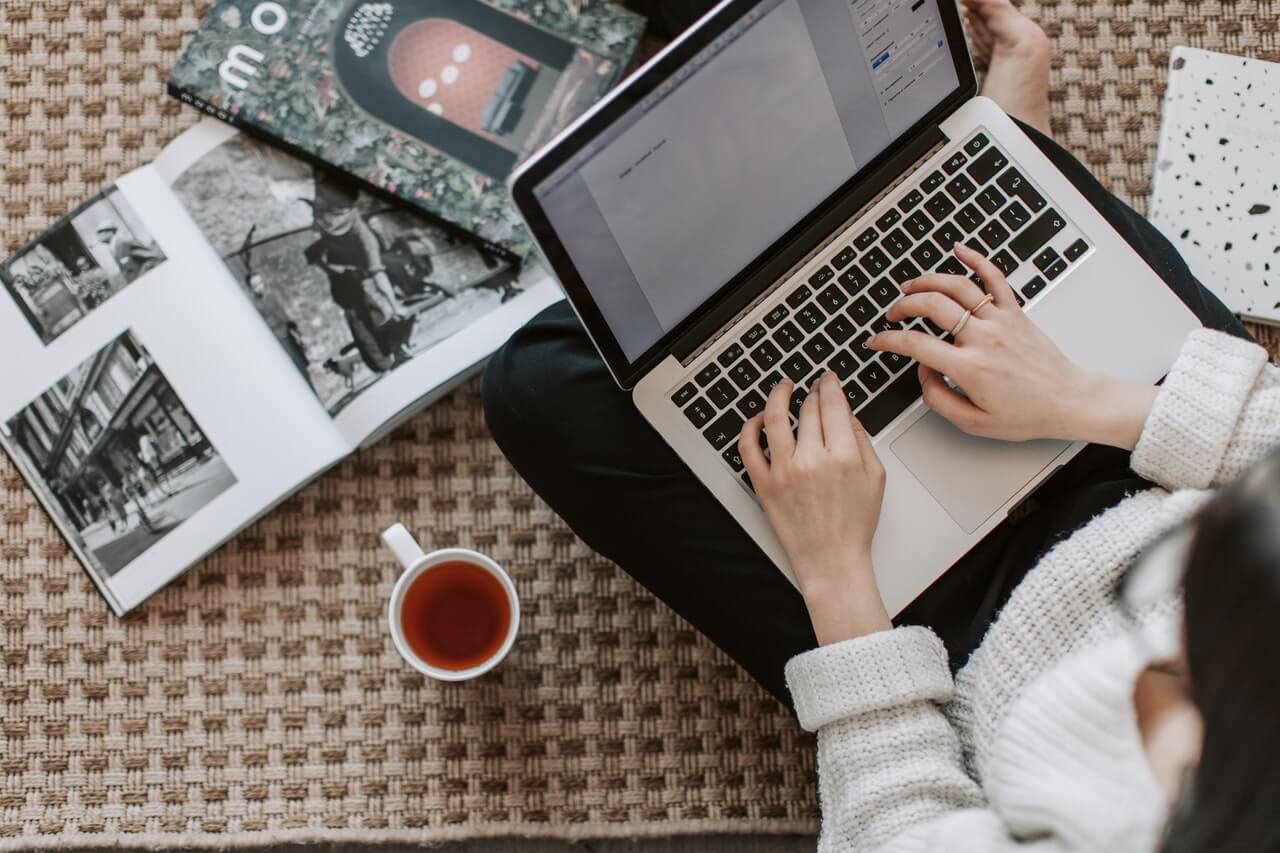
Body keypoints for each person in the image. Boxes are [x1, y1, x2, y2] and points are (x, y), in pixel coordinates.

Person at [481, 0, 1280, 848]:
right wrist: (1078, 394)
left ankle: (973, 157)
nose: (1146, 652)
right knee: (983, 165)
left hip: (941, 639)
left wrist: (835, 576)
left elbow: (897, 826)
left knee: (543, 386)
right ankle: (983, 157)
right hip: (1157, 451)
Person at [303, 176, 415, 373]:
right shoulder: (323, 205)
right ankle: (385, 358)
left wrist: (393, 305)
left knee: (371, 316)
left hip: (357, 274)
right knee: (360, 317)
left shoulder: (365, 237)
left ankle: (391, 353)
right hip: (344, 276)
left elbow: (378, 274)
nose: (332, 221)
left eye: (339, 214)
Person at [96, 221, 163, 280]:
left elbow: (151, 258)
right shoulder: (113, 248)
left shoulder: (124, 243)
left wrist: (141, 277)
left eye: (100, 232)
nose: (98, 237)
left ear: (110, 232)